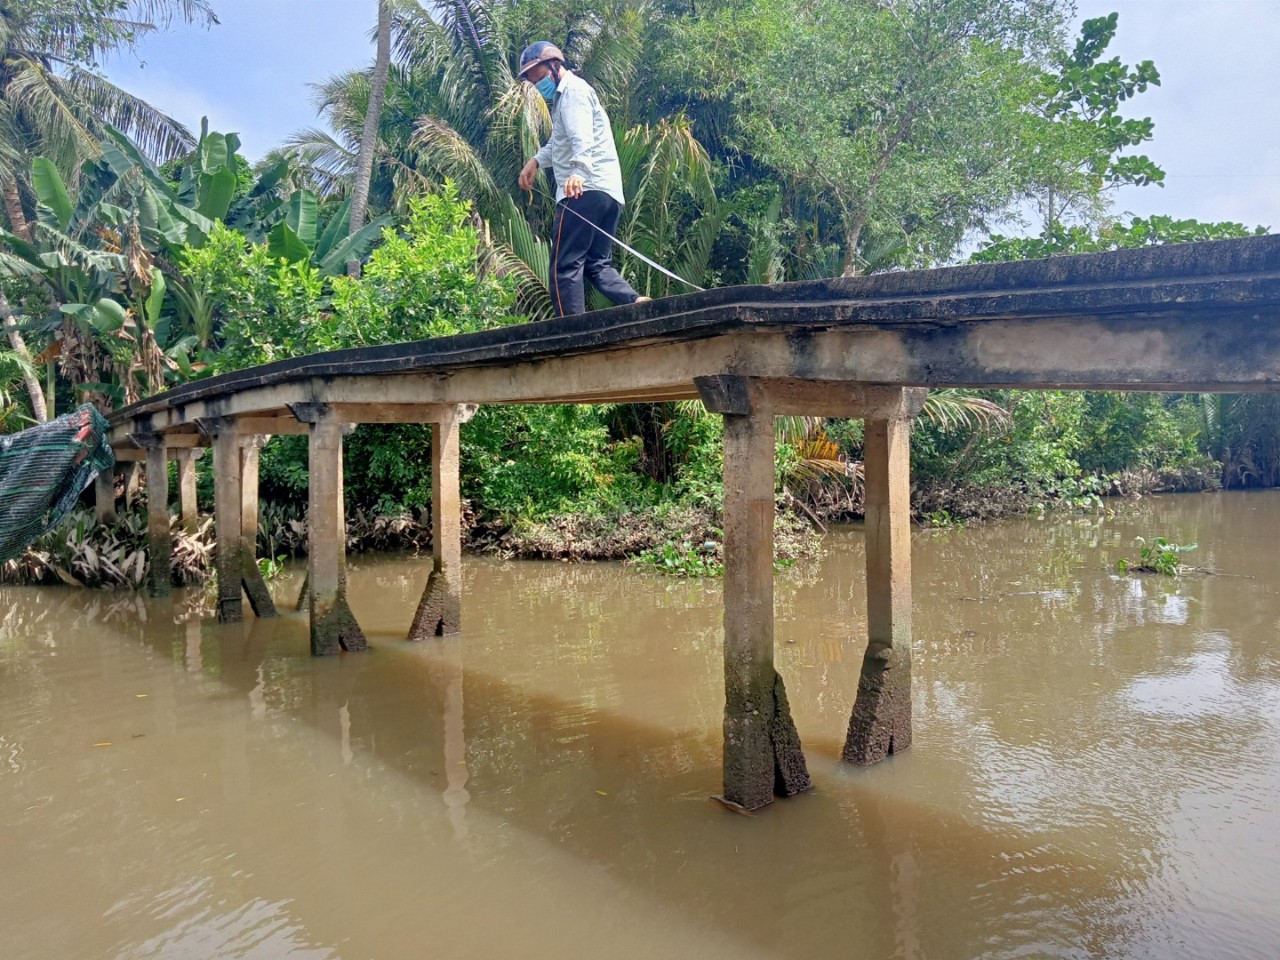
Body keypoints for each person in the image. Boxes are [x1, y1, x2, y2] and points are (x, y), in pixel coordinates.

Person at [516, 41, 650, 318]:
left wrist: (578, 172)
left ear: (555, 65)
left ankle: (571, 329)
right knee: (597, 264)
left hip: (581, 190)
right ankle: (636, 300)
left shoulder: (572, 92)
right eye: (533, 82)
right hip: (607, 193)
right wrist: (536, 161)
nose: (537, 85)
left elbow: (581, 137)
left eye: (538, 77)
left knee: (564, 265)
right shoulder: (567, 97)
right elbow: (559, 142)